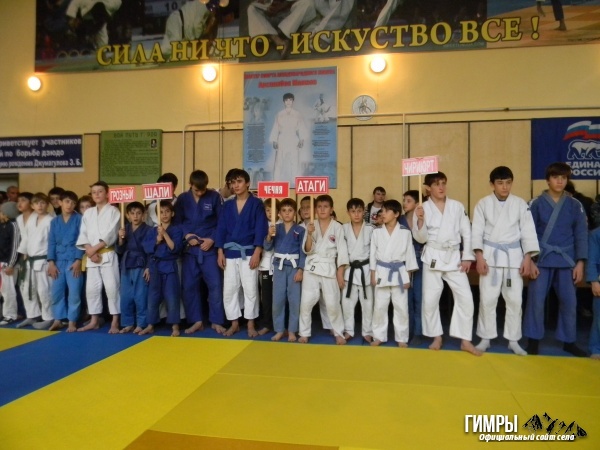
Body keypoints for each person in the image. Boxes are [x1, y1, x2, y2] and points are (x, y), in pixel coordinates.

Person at [471, 167, 540, 355]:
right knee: (487, 299)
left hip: (513, 258)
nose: (505, 187)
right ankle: (485, 338)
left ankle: (513, 339)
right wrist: (479, 257)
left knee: (515, 300)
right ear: (492, 184)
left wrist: (528, 258)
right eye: (500, 183)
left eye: (508, 182)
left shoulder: (520, 204)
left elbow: (528, 232)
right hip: (490, 257)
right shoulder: (483, 204)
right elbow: (476, 232)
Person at [413, 172, 481, 356]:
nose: (441, 187)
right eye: (436, 184)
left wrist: (467, 256)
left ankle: (465, 340)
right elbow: (420, 238)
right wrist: (420, 221)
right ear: (428, 188)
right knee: (430, 300)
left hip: (454, 257)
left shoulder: (457, 206)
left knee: (466, 298)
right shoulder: (422, 208)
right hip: (433, 256)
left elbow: (467, 232)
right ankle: (436, 336)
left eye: (443, 183)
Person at [524, 162, 588, 356]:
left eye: (563, 178)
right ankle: (533, 340)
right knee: (536, 301)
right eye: (555, 177)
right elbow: (527, 233)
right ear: (548, 180)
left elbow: (581, 234)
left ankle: (568, 341)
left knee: (569, 302)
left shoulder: (575, 205)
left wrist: (580, 262)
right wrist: (530, 260)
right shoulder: (535, 204)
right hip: (541, 259)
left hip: (567, 260)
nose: (560, 181)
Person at [216, 169, 268, 337]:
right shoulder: (227, 205)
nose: (235, 185)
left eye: (239, 181)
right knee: (230, 290)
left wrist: (257, 251)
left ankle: (251, 324)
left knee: (250, 289)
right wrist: (220, 251)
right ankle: (234, 323)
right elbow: (221, 229)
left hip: (249, 252)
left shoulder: (257, 204)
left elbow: (261, 228)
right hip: (230, 252)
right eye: (232, 182)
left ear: (247, 183)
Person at [173, 170, 225, 334]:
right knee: (189, 286)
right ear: (190, 185)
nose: (201, 193)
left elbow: (222, 222)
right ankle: (196, 321)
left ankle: (216, 321)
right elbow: (177, 222)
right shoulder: (182, 199)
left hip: (209, 249)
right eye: (197, 190)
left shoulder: (214, 197)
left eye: (203, 190)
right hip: (190, 250)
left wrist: (213, 239)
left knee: (215, 285)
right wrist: (187, 235)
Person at [298, 194, 349, 344]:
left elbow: (342, 251)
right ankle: (304, 332)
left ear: (331, 209)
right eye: (319, 207)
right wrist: (309, 234)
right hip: (312, 267)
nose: (322, 209)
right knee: (306, 302)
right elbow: (307, 250)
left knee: (332, 302)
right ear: (315, 209)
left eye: (325, 207)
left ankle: (338, 332)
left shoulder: (337, 227)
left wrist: (340, 272)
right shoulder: (310, 225)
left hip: (329, 267)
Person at [370, 199, 418, 346]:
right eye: (382, 211)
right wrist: (372, 274)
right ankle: (378, 336)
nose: (383, 214)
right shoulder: (377, 232)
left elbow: (410, 255)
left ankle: (401, 338)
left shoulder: (405, 232)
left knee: (401, 307)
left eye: (386, 211)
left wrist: (408, 276)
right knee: (379, 306)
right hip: (381, 271)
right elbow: (372, 254)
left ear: (396, 214)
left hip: (399, 273)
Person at [76, 180, 121, 333]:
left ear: (107, 193)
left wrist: (94, 249)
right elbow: (83, 234)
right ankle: (94, 320)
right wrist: (89, 250)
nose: (96, 194)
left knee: (112, 288)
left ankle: (115, 321)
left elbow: (112, 233)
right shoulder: (88, 213)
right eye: (94, 192)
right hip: (91, 256)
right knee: (91, 289)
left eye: (100, 191)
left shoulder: (114, 211)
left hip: (107, 253)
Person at [264, 197, 305, 342]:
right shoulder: (276, 228)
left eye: (290, 210)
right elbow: (267, 247)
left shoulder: (300, 230)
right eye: (284, 210)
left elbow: (303, 252)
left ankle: (292, 330)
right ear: (279, 213)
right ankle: (279, 330)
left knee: (294, 300)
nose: (287, 213)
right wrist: (269, 235)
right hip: (279, 267)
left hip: (294, 267)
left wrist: (300, 269)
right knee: (278, 300)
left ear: (295, 212)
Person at [141, 200, 183, 337]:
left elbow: (175, 248)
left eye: (167, 211)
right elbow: (147, 249)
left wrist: (164, 234)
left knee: (172, 296)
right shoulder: (152, 231)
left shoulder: (176, 230)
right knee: (153, 297)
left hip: (169, 265)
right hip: (155, 265)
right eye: (161, 212)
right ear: (157, 215)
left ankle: (175, 325)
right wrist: (157, 240)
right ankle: (150, 324)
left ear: (172, 213)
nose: (164, 214)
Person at [47, 191, 84, 332]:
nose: (70, 205)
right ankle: (58, 319)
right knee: (56, 292)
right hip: (58, 261)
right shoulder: (54, 221)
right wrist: (51, 262)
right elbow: (51, 242)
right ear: (60, 202)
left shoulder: (79, 219)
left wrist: (78, 260)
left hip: (74, 260)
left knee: (74, 293)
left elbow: (82, 239)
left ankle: (72, 321)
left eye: (73, 203)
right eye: (67, 201)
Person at [17, 193, 54, 329]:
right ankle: (32, 315)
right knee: (27, 289)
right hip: (29, 260)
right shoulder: (32, 219)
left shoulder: (51, 220)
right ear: (32, 206)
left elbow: (53, 242)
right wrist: (23, 254)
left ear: (47, 205)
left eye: (43, 203)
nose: (40, 206)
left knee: (44, 290)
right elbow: (26, 238)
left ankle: (48, 317)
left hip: (43, 260)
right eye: (37, 203)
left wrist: (52, 261)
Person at [342, 198, 374, 342]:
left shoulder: (371, 229)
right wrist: (340, 273)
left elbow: (374, 253)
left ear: (364, 212)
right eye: (353, 211)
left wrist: (373, 272)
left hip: (365, 270)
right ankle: (348, 330)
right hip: (349, 270)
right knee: (347, 303)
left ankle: (367, 331)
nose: (356, 214)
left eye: (359, 211)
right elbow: (340, 252)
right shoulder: (343, 229)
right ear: (348, 212)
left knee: (368, 304)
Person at [117, 201, 151, 334]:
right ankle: (128, 323)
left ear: (143, 215)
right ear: (127, 215)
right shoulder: (124, 229)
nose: (135, 216)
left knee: (140, 295)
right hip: (126, 263)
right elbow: (119, 250)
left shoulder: (148, 230)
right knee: (126, 295)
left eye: (138, 213)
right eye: (132, 213)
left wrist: (148, 266)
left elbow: (151, 251)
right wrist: (120, 239)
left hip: (141, 263)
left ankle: (141, 323)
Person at [247, 0, 316, 58]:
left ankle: (272, 33)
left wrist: (283, 5)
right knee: (251, 8)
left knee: (308, 3)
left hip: (289, 15)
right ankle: (277, 39)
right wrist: (265, 4)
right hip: (270, 16)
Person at [400, 190, 424, 342]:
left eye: (408, 201)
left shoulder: (423, 218)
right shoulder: (399, 220)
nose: (404, 203)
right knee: (405, 299)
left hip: (421, 259)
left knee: (419, 297)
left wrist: (421, 220)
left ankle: (418, 332)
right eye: (404, 200)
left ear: (417, 203)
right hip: (403, 262)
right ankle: (406, 331)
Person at [269, 93, 308, 186]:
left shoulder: (297, 114)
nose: (288, 102)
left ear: (293, 101)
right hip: (282, 139)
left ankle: (295, 182)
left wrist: (302, 139)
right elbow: (276, 127)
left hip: (293, 139)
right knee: (278, 161)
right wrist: (274, 140)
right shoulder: (279, 114)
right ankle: (276, 181)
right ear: (284, 101)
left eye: (290, 100)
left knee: (294, 161)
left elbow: (301, 127)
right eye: (286, 100)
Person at [257, 199, 278, 336]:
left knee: (280, 297)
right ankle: (266, 323)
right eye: (268, 210)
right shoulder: (261, 225)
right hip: (265, 265)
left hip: (280, 266)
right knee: (266, 297)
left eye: (273, 210)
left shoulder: (282, 225)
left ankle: (280, 323)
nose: (270, 213)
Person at [0, 202, 20, 326]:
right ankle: (4, 313)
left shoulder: (14, 226)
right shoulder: (3, 225)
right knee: (3, 291)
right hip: (1, 262)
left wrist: (11, 264)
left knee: (8, 291)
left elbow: (15, 247)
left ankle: (10, 315)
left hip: (8, 264)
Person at [587, 225, 600, 359]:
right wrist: (594, 281)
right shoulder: (596, 234)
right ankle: (596, 348)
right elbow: (592, 260)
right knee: (599, 318)